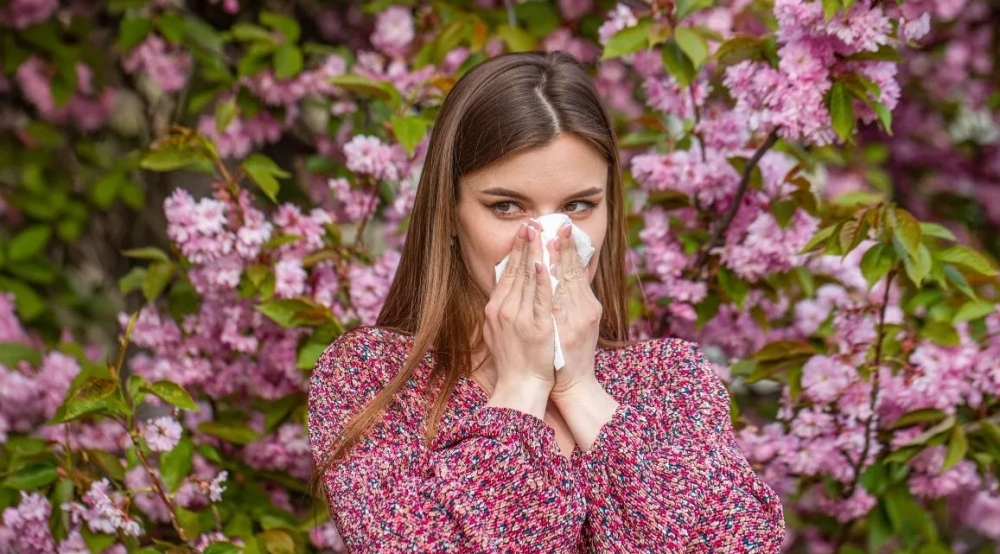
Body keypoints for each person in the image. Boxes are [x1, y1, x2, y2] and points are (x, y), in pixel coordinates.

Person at [308, 50, 785, 553]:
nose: (549, 238)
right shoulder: (373, 379)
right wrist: (522, 388)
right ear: (450, 213)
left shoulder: (668, 380)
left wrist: (580, 389)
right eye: (506, 207)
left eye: (578, 206)